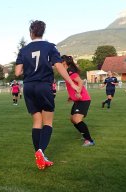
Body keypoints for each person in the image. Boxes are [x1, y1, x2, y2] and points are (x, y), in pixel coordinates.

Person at [15, 20, 79, 170]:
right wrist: (72, 83)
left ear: (31, 32)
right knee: (48, 122)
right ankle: (41, 152)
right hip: (43, 86)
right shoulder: (50, 47)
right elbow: (59, 67)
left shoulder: (23, 50)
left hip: (28, 87)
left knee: (36, 121)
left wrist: (30, 70)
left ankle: (40, 157)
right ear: (43, 32)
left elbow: (18, 72)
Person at [61, 55, 94, 147]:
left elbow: (80, 81)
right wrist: (71, 97)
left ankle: (89, 140)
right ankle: (84, 134)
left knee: (77, 119)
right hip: (77, 101)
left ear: (64, 63)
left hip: (83, 99)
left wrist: (78, 92)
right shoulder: (67, 73)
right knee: (73, 119)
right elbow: (72, 86)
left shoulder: (71, 72)